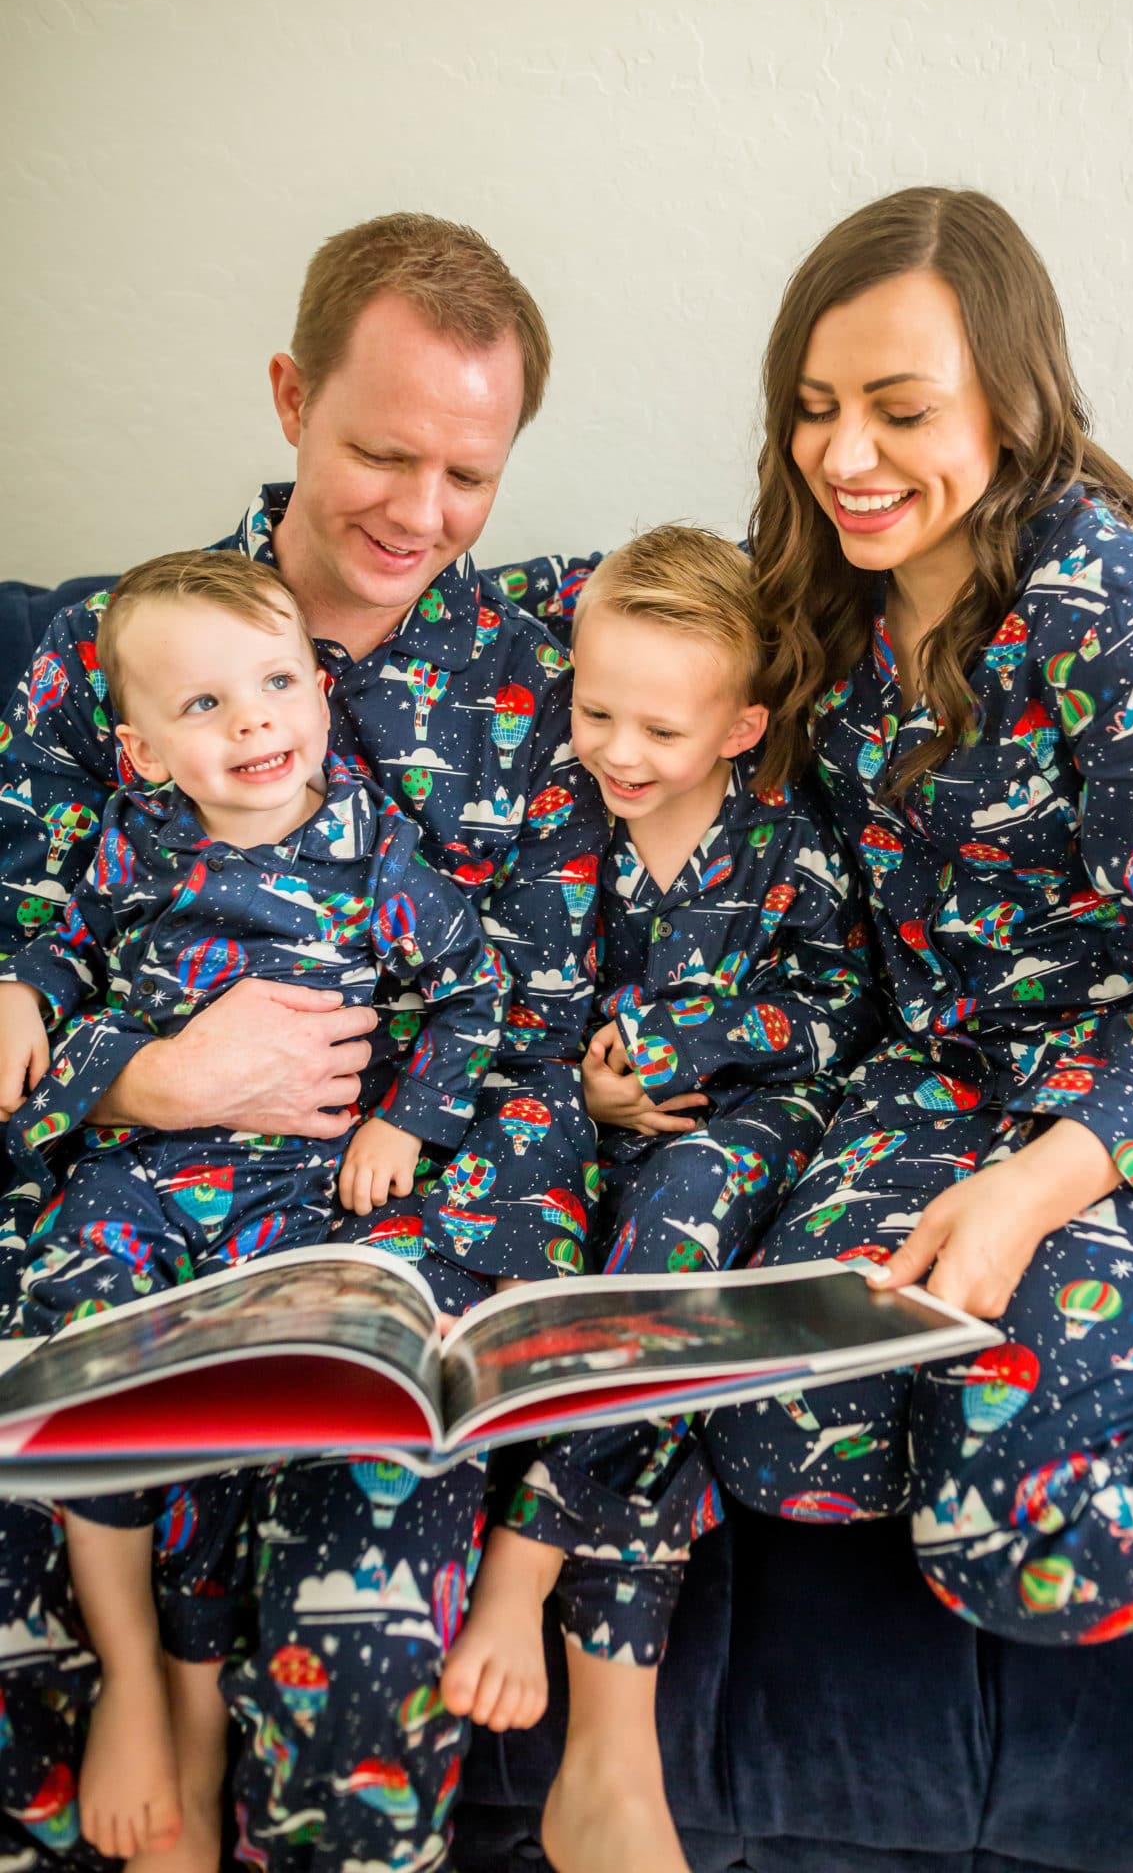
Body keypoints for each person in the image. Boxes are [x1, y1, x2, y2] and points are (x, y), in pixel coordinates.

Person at [0, 213, 607, 1869]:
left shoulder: (550, 666)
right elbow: (19, 959)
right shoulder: (110, 654)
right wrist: (136, 1075)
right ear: (288, 398)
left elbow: (533, 1024)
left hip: (405, 1222)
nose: (422, 512)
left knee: (358, 1629)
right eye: (382, 451)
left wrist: (421, 1197)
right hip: (131, 1185)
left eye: (469, 472)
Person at [704, 185, 1133, 1642]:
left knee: (1015, 1524)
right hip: (951, 1076)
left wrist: (1027, 1198)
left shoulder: (1103, 605)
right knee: (777, 1444)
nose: (845, 456)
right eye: (812, 409)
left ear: (1008, 401)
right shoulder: (820, 598)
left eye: (898, 409)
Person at [0, 548, 505, 1867]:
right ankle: (130, 1676)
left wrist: (410, 1120)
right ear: (149, 749)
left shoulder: (373, 850)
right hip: (138, 1186)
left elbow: (474, 990)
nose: (256, 722)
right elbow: (70, 936)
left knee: (256, 1409)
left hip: (297, 1196)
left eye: (277, 683)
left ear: (324, 697)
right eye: (207, 707)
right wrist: (27, 987)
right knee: (86, 1384)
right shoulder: (137, 840)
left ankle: (196, 1685)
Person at [438, 525, 880, 1873]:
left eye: (659, 728)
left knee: (680, 1237)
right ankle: (599, 1763)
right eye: (593, 711)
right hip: (586, 1109)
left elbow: (836, 1006)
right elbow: (512, 998)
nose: (617, 751)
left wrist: (681, 1066)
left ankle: (524, 1564)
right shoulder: (561, 813)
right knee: (549, 1217)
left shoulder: (787, 835)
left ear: (742, 725)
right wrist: (585, 1094)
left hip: (738, 1115)